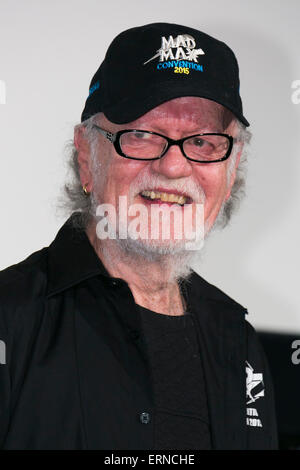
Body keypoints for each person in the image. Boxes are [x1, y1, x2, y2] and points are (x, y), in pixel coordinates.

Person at [0, 22, 278, 450]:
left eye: (204, 141)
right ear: (86, 155)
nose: (173, 167)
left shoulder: (238, 342)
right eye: (143, 135)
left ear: (231, 166)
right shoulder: (10, 320)